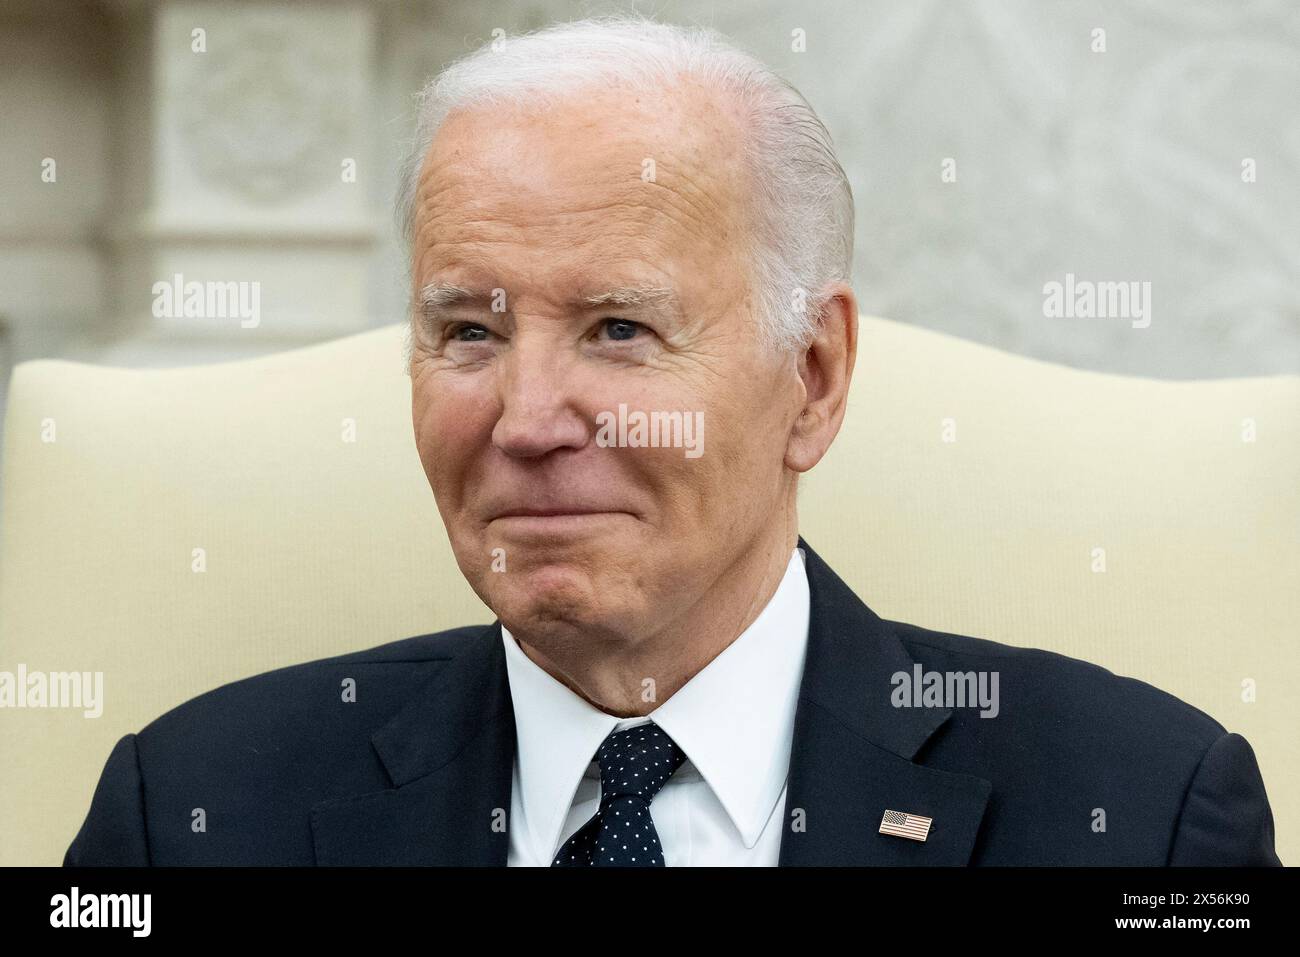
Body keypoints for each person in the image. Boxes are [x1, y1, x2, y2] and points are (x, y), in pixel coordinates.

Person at [65, 15, 1280, 867]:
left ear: (811, 380)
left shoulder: (1138, 809)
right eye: (469, 331)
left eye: (619, 327)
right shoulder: (193, 811)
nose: (529, 419)